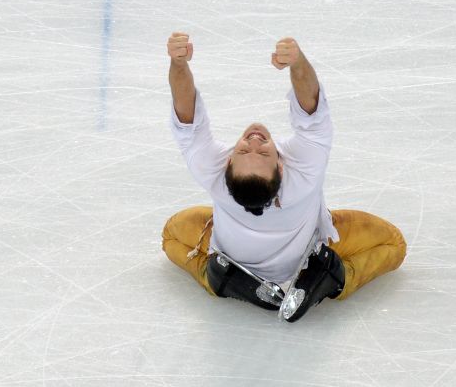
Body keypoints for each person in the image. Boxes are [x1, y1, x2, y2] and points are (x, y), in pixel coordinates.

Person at [161, 32, 406, 322]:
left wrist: (178, 65)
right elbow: (311, 111)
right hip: (305, 257)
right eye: (262, 152)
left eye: (245, 150)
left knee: (172, 233)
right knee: (393, 243)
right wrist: (298, 63)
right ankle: (332, 276)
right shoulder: (304, 171)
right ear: (281, 167)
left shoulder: (210, 170)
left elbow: (186, 116)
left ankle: (218, 276)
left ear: (226, 165)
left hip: (236, 259)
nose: (253, 140)